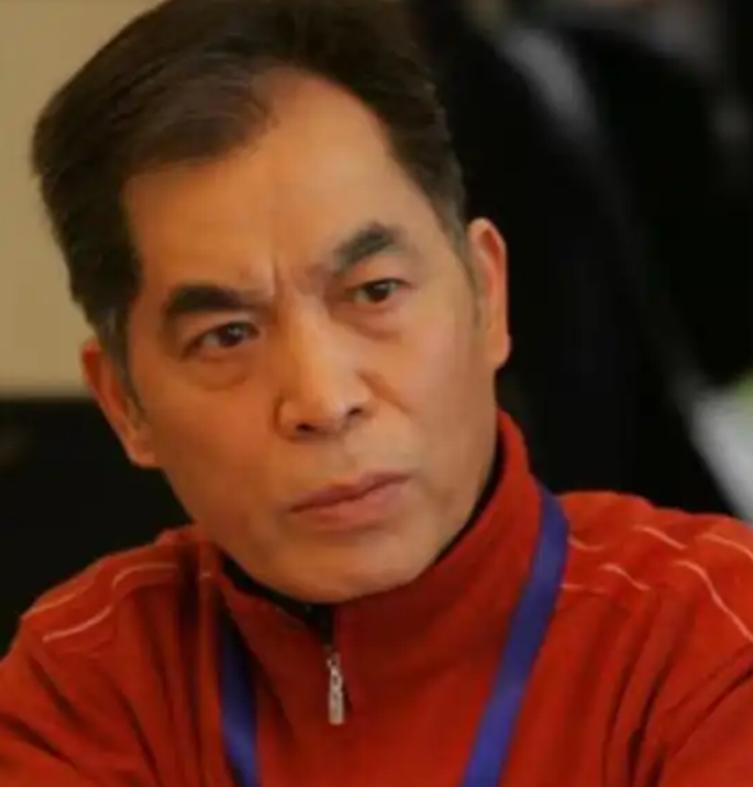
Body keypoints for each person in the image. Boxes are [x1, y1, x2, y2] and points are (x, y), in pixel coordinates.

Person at [1, 0, 753, 784]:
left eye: (375, 291)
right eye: (226, 335)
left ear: (486, 296)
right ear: (124, 403)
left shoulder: (708, 637)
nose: (325, 400)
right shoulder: (88, 683)